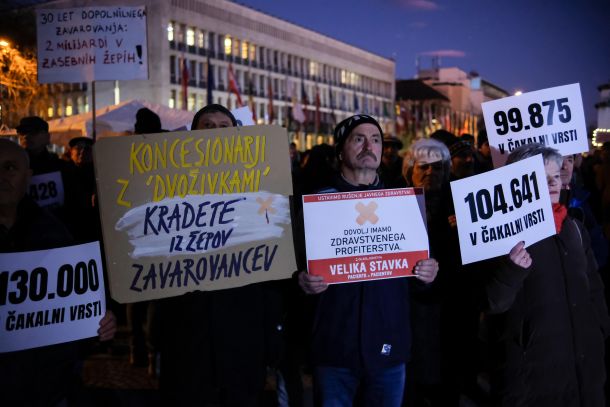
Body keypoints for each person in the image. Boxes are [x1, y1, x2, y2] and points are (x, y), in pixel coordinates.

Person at [298, 114, 439, 407]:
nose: (369, 146)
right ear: (340, 150)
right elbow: (294, 273)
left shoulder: (402, 204)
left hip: (389, 350)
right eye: (358, 139)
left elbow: (415, 282)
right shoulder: (316, 205)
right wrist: (301, 281)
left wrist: (427, 275)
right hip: (334, 350)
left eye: (375, 139)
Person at [158, 104, 282, 407]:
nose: (216, 133)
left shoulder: (261, 181)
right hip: (189, 322)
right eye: (208, 126)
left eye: (224, 126)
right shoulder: (169, 184)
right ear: (194, 135)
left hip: (243, 321)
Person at [484, 143, 610, 406]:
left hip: (585, 370)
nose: (552, 183)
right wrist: (511, 270)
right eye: (541, 178)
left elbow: (594, 287)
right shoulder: (500, 235)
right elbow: (492, 303)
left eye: (555, 176)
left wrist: (600, 329)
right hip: (534, 379)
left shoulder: (574, 228)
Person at [0, 138, 116, 405]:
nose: (2, 177)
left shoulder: (54, 232)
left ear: (28, 177)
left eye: (10, 168)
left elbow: (75, 304)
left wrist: (99, 322)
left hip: (47, 385)